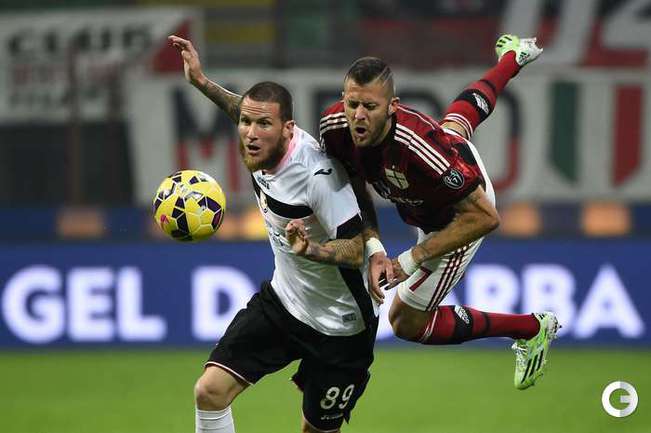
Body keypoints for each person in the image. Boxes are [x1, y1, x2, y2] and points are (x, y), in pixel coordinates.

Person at [319, 34, 559, 390]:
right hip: (437, 175)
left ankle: (532, 328)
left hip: (458, 217)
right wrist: (374, 246)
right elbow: (352, 182)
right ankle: (512, 57)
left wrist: (411, 259)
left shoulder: (418, 148)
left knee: (405, 322)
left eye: (370, 106)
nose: (358, 115)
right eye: (351, 104)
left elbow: (485, 218)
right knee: (457, 124)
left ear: (392, 107)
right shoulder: (334, 128)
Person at [170, 35, 378, 433]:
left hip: (341, 326)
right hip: (284, 303)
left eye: (263, 124)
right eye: (246, 123)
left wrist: (313, 250)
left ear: (288, 130)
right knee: (209, 392)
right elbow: (240, 108)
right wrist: (200, 81)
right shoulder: (259, 143)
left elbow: (355, 249)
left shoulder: (318, 176)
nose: (250, 132)